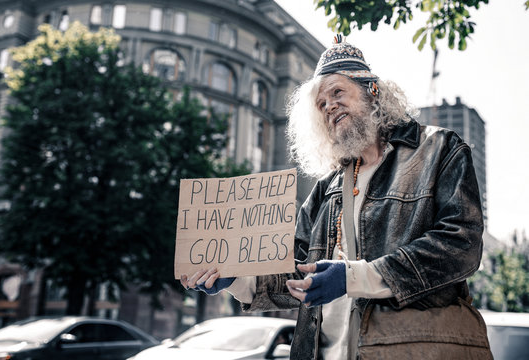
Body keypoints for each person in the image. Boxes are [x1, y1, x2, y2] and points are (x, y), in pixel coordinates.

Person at [180, 35, 492, 359]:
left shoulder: (439, 150)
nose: (329, 106)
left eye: (338, 92)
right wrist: (235, 278)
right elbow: (294, 272)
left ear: (372, 90)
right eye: (321, 104)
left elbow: (460, 246)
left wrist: (353, 277)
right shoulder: (324, 190)